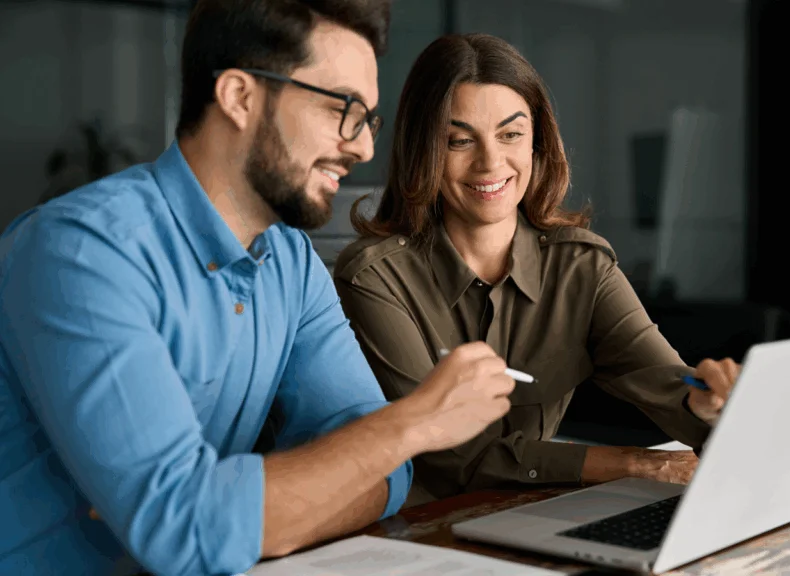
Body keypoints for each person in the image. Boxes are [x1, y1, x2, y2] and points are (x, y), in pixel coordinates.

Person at [0, 3, 515, 575]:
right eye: (341, 108)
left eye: (368, 119)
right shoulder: (82, 251)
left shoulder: (290, 263)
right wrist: (411, 423)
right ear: (240, 97)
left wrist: (248, 514)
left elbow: (387, 478)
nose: (364, 148)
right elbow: (187, 529)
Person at [332, 33, 741, 507]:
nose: (491, 162)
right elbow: (450, 459)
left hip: (541, 512)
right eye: (459, 140)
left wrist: (704, 403)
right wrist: (629, 465)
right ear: (423, 150)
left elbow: (667, 383)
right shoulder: (374, 277)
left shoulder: (581, 265)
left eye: (511, 134)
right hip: (418, 529)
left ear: (537, 143)